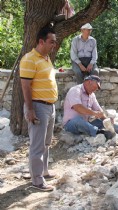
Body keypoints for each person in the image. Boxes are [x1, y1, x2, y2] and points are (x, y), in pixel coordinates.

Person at [20, 26, 58, 191]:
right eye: (51, 42)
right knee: (37, 144)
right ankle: (37, 181)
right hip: (37, 106)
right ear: (41, 41)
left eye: (55, 42)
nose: (54, 45)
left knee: (46, 142)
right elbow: (25, 86)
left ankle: (43, 171)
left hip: (50, 107)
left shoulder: (46, 58)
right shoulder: (30, 59)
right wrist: (30, 109)